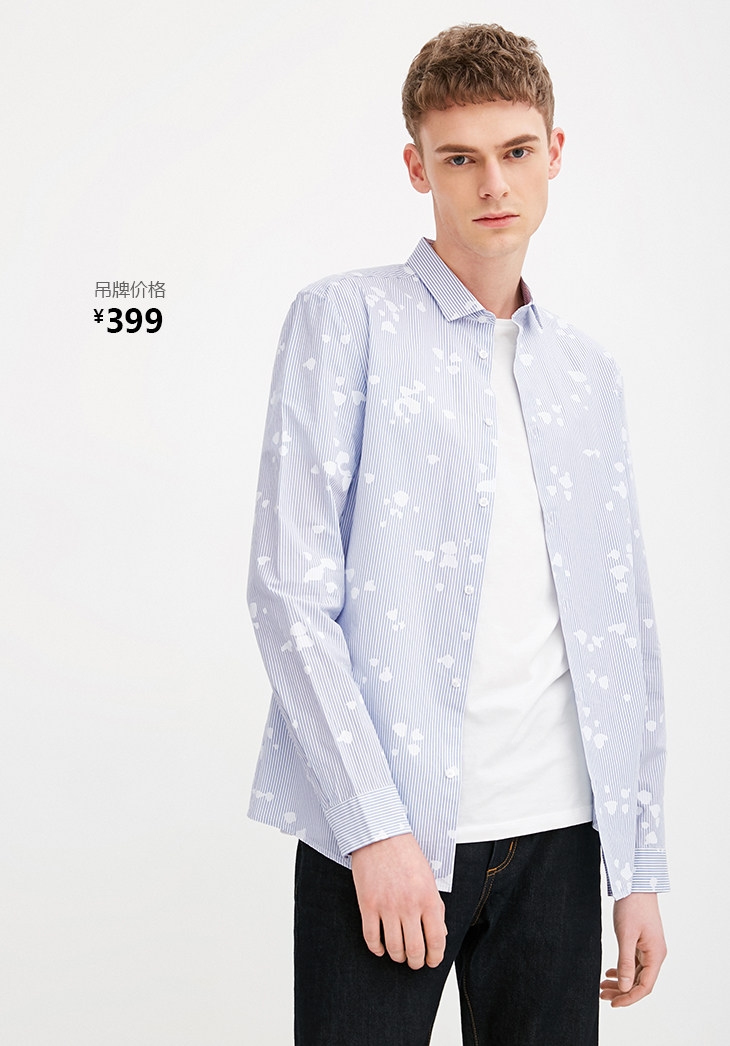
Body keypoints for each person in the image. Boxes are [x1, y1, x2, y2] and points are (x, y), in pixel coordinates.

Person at [246, 22, 669, 1046]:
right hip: (387, 838)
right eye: (459, 158)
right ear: (416, 166)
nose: (493, 184)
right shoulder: (344, 321)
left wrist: (638, 866)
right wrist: (373, 828)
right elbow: (288, 593)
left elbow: (621, 625)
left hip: (561, 840)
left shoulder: (587, 373)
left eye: (516, 151)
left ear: (553, 153)